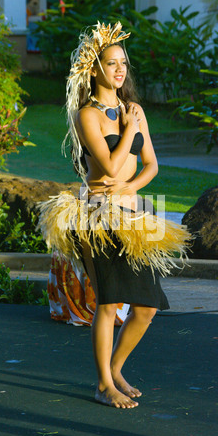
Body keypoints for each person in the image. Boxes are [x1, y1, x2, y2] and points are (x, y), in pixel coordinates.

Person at [37, 22, 191, 409]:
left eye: (124, 63)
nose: (120, 70)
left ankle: (116, 368)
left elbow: (152, 165)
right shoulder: (86, 115)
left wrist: (132, 188)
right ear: (95, 69)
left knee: (146, 308)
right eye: (112, 63)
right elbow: (106, 168)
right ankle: (104, 384)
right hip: (98, 219)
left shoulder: (134, 110)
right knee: (108, 303)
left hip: (134, 216)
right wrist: (126, 130)